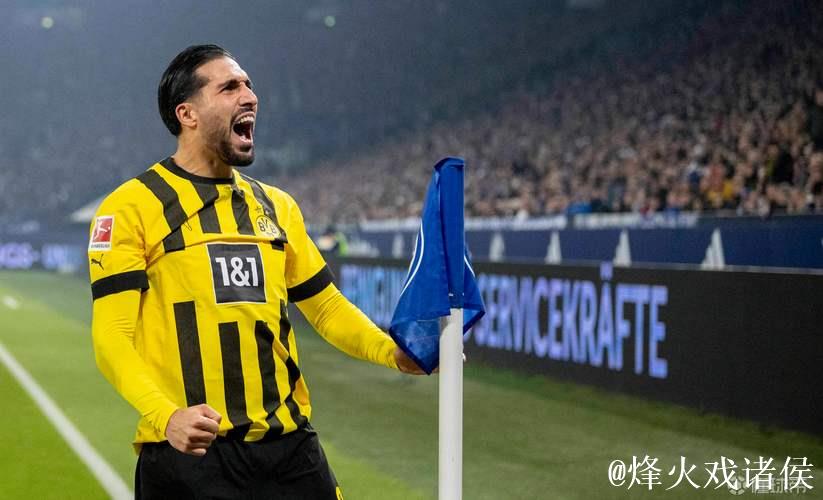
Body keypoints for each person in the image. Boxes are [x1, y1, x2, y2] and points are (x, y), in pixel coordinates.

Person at [88, 44, 423, 499]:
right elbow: (112, 336)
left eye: (248, 85)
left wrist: (392, 352)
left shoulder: (277, 206)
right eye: (229, 87)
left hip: (290, 453)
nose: (249, 96)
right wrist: (167, 417)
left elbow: (325, 308)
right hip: (190, 457)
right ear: (187, 114)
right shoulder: (132, 206)